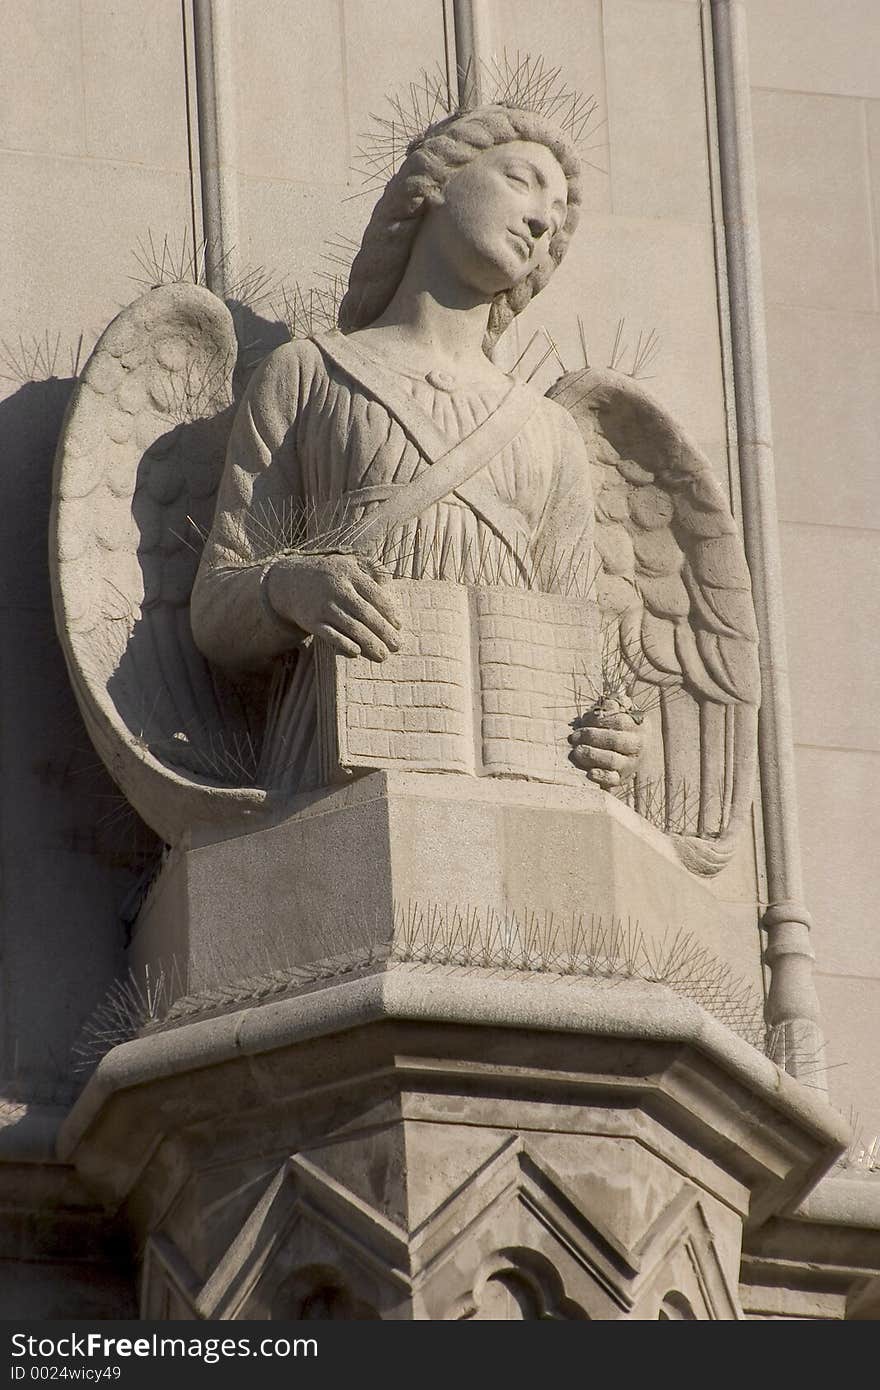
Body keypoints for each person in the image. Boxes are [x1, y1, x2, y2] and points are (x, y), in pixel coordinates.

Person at [190, 103, 641, 792]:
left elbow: (577, 650)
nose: (543, 221)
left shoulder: (549, 432)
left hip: (519, 778)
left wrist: (608, 729)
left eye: (556, 215)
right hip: (337, 765)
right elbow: (216, 611)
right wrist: (290, 587)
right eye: (521, 181)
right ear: (434, 181)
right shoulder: (312, 375)